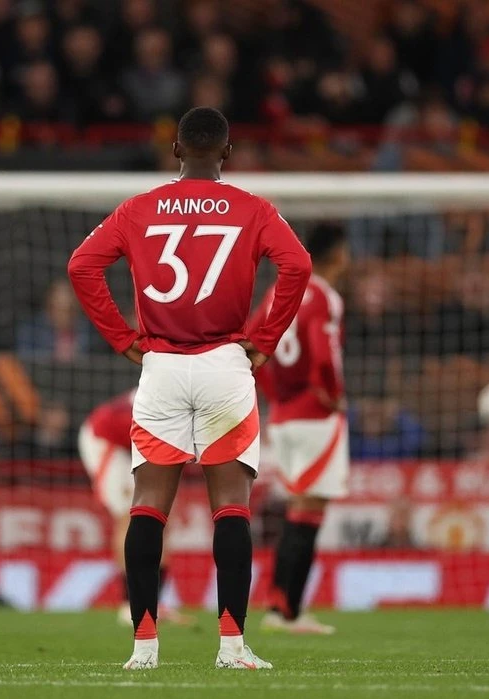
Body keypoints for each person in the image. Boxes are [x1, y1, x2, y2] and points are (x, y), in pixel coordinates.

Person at [67, 107, 311, 670]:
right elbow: (297, 266)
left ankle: (143, 649)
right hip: (226, 363)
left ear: (175, 150)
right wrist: (264, 340)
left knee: (148, 505)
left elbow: (82, 266)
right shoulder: (253, 208)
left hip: (161, 367)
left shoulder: (139, 208)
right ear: (227, 152)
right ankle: (232, 646)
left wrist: (121, 338)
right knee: (231, 506)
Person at [250, 224, 350, 635]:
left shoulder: (279, 290)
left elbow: (253, 344)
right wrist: (333, 396)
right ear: (339, 254)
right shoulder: (324, 296)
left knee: (298, 508)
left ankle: (282, 606)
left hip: (284, 416)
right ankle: (287, 611)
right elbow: (325, 356)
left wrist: (276, 397)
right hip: (314, 415)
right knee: (309, 510)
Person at [78, 390, 193, 627]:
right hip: (107, 439)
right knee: (130, 517)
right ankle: (130, 603)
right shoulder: (170, 394)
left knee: (162, 519)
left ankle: (153, 603)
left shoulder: (186, 393)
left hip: (138, 445)